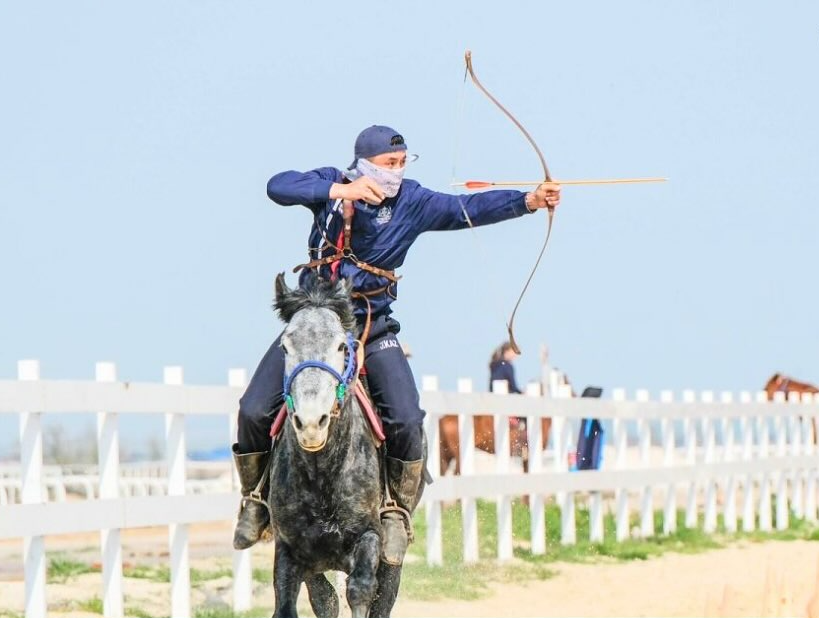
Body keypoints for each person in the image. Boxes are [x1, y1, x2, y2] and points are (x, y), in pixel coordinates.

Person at [232, 125, 561, 565]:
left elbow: (467, 207)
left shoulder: (414, 200)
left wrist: (528, 201)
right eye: (390, 164)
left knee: (407, 420)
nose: (397, 172)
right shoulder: (332, 184)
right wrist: (340, 190)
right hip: (316, 326)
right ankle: (256, 500)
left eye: (404, 163)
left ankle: (395, 514)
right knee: (254, 409)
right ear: (364, 164)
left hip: (374, 326)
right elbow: (278, 185)